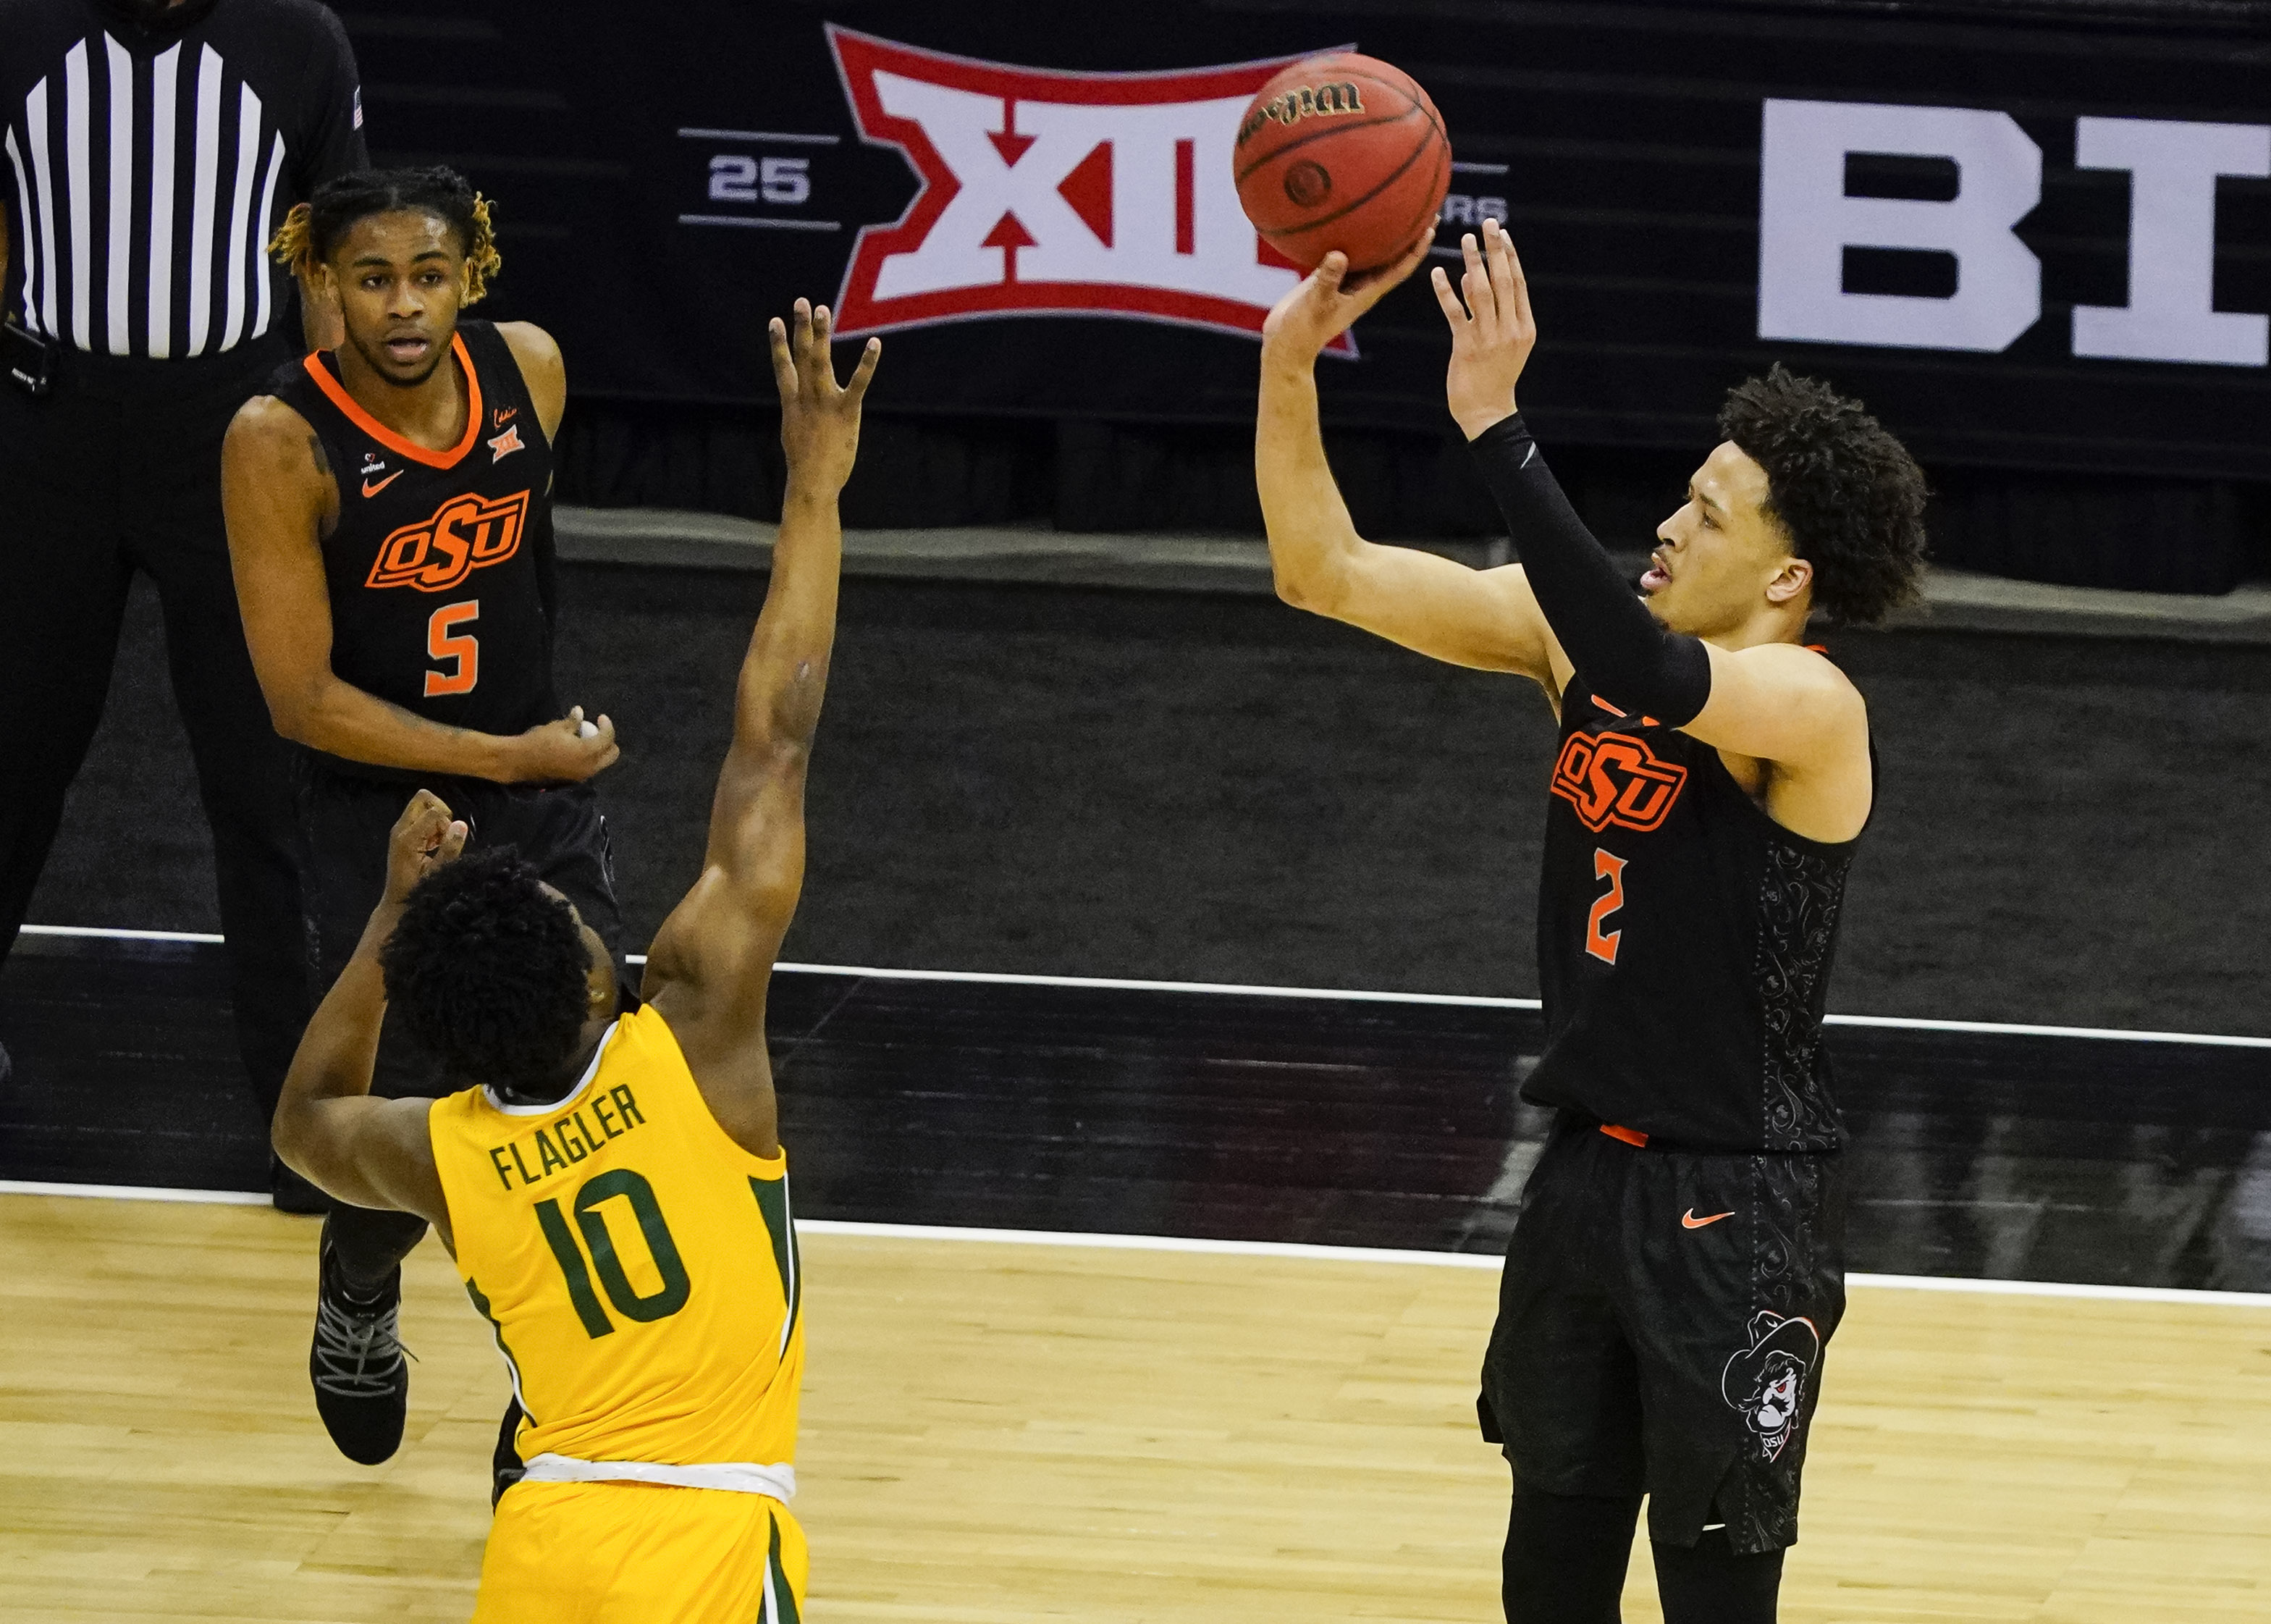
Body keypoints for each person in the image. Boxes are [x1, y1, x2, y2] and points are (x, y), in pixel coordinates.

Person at [1255, 218, 1927, 1623]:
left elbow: (1648, 667)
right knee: (1545, 1589)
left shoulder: (1809, 710)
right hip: (1578, 1179)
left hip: (1738, 1202)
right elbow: (1324, 572)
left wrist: (1498, 425)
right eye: (1681, 496)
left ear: (1789, 579)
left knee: (1712, 1600)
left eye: (1711, 513)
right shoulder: (1583, 636)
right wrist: (1287, 369)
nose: (1671, 524)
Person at [268, 297, 877, 1620]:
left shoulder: (443, 1149)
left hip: (542, 1545)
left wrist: (386, 918)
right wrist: (813, 488)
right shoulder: (699, 1039)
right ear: (602, 977)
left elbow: (305, 1122)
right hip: (708, 1542)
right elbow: (776, 736)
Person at [221, 164, 620, 1472]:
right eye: (373, 278)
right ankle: (358, 1290)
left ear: (472, 274)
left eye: (429, 275)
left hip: (533, 785)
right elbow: (299, 699)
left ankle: (550, 1392)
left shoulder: (531, 372)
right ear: (322, 286)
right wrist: (494, 755)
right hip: (376, 808)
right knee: (416, 1115)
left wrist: (539, 745)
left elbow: (522, 591)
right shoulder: (276, 439)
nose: (404, 306)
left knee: (588, 1067)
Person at [0, 0, 363, 1171]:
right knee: (15, 753)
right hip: (50, 430)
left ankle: (301, 1119)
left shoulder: (296, 38)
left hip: (234, 434)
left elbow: (334, 251)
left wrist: (337, 439)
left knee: (266, 777)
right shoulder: (18, 27)